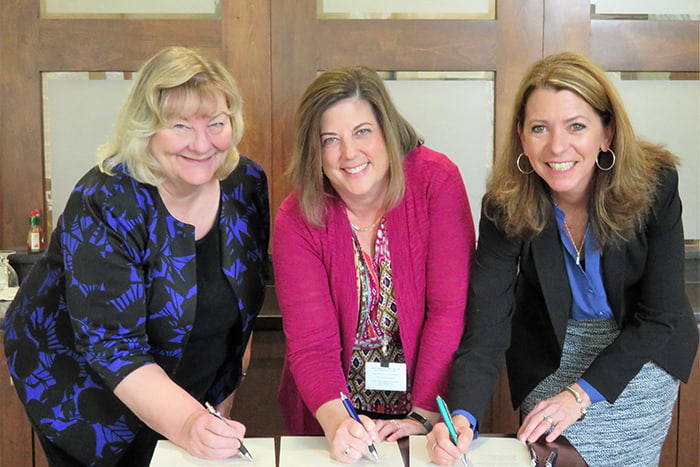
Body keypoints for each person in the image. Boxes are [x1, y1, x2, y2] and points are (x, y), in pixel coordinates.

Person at [427, 51, 699, 466]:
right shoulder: (505, 206)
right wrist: (462, 414)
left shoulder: (655, 185)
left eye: (576, 126)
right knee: (548, 456)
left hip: (640, 349)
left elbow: (660, 316)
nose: (557, 146)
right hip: (553, 348)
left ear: (606, 134)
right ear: (521, 136)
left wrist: (578, 395)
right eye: (540, 128)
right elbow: (486, 324)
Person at [3, 46, 270, 466]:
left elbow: (244, 305)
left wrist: (217, 403)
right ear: (145, 129)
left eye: (216, 123)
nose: (202, 143)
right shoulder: (106, 199)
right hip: (88, 396)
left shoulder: (245, 183)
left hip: (189, 389)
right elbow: (113, 346)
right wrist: (187, 424)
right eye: (180, 125)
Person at [272, 65, 475, 463]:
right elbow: (311, 344)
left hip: (429, 415)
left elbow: (449, 310)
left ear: (387, 130)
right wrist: (338, 421)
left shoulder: (435, 181)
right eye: (330, 140)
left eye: (362, 131)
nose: (349, 153)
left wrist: (423, 413)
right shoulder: (297, 217)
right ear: (314, 152)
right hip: (331, 416)